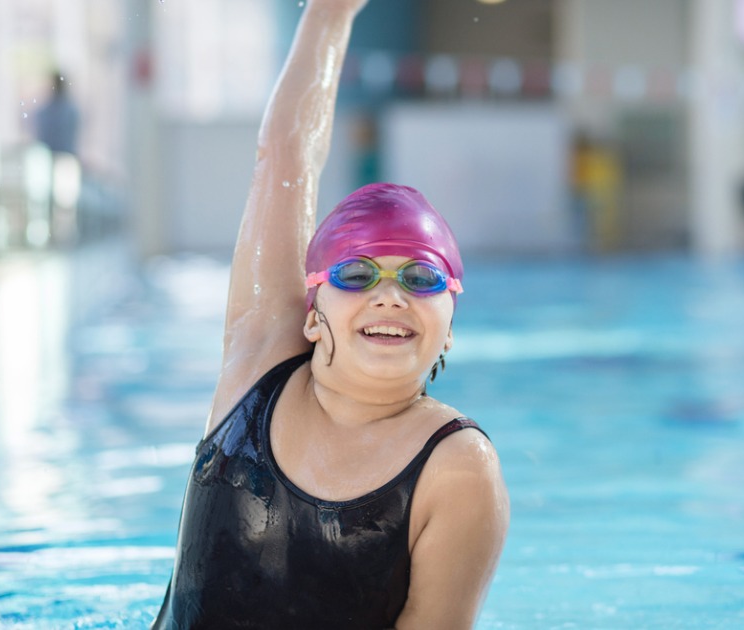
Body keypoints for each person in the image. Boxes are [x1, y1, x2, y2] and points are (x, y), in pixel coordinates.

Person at [152, 1, 510, 628]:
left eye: (421, 278)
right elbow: (283, 160)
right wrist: (331, 12)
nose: (390, 295)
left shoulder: (457, 470)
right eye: (356, 273)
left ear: (449, 324)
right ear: (312, 313)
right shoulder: (258, 360)